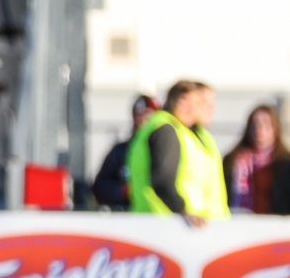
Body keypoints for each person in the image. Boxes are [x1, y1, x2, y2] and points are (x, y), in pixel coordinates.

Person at [127, 80, 229, 226]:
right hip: (170, 224)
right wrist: (183, 210)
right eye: (200, 102)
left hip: (179, 224)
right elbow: (163, 179)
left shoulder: (193, 134)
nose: (205, 108)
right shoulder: (167, 129)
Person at [92, 94, 159, 209]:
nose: (142, 119)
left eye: (148, 114)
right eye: (138, 115)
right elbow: (100, 187)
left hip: (159, 216)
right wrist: (124, 190)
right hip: (127, 217)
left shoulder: (165, 148)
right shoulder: (120, 151)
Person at [222, 105, 290, 214]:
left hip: (274, 224)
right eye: (255, 124)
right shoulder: (231, 161)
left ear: (275, 128)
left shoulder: (285, 164)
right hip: (237, 220)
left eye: (266, 124)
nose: (259, 129)